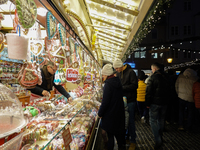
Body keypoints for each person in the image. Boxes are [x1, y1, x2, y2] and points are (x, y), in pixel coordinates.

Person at [98, 64, 125, 150]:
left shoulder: (108, 84)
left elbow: (105, 102)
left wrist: (100, 113)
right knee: (120, 139)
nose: (103, 76)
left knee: (110, 138)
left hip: (110, 116)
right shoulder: (118, 81)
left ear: (106, 74)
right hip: (119, 114)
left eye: (103, 75)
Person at [113, 59, 138, 150]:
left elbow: (135, 85)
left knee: (131, 121)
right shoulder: (119, 73)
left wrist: (122, 88)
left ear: (121, 66)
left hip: (130, 100)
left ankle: (133, 141)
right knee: (124, 121)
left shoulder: (131, 72)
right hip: (122, 100)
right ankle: (126, 137)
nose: (116, 70)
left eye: (117, 68)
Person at [145, 62, 170, 150]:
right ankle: (161, 137)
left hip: (154, 103)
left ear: (154, 69)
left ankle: (158, 139)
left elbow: (148, 92)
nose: (152, 71)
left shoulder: (152, 78)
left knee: (153, 121)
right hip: (164, 103)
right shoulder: (166, 77)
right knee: (161, 120)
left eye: (152, 69)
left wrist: (147, 104)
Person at [175, 68, 199, 132]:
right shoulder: (195, 78)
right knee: (190, 112)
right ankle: (189, 126)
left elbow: (176, 86)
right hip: (191, 98)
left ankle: (181, 125)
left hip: (181, 97)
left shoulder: (180, 77)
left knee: (181, 111)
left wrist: (178, 94)